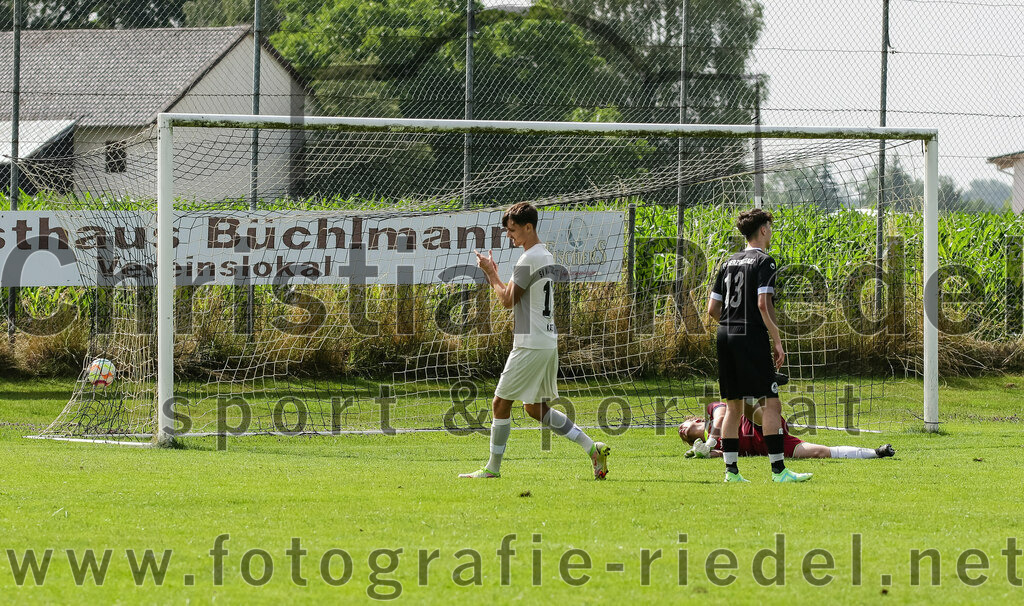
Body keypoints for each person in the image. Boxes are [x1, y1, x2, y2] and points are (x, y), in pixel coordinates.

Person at [459, 202, 610, 479]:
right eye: (507, 230)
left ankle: (492, 469)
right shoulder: (545, 254)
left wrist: (490, 272)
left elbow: (507, 300)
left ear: (529, 227)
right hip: (546, 341)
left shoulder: (529, 258)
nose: (509, 235)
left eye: (513, 230)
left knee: (499, 403)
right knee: (534, 408)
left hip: (531, 343)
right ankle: (593, 448)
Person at [707, 207, 811, 483]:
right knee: (772, 403)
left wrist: (731, 323)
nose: (771, 232)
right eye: (770, 227)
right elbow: (763, 304)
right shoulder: (765, 261)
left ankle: (732, 473)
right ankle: (779, 471)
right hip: (750, 337)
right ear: (763, 229)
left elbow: (712, 309)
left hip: (725, 335)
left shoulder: (728, 262)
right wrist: (777, 340)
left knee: (734, 406)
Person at [679, 400, 896, 460]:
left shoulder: (711, 413)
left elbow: (722, 414)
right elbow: (724, 453)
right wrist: (705, 453)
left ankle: (766, 382)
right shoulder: (705, 445)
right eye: (682, 436)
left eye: (682, 425)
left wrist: (712, 439)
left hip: (759, 423)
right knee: (819, 452)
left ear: (696, 419)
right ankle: (876, 452)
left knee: (745, 403)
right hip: (766, 447)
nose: (680, 430)